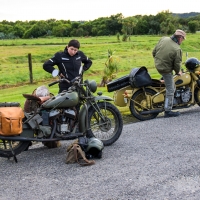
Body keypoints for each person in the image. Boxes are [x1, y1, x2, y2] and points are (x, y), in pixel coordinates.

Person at [152, 29, 186, 118]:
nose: (182, 41)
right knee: (171, 89)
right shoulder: (177, 49)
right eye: (183, 39)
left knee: (170, 82)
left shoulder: (164, 39)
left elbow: (154, 52)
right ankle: (168, 110)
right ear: (180, 38)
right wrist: (178, 72)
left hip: (158, 65)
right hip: (165, 69)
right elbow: (177, 64)